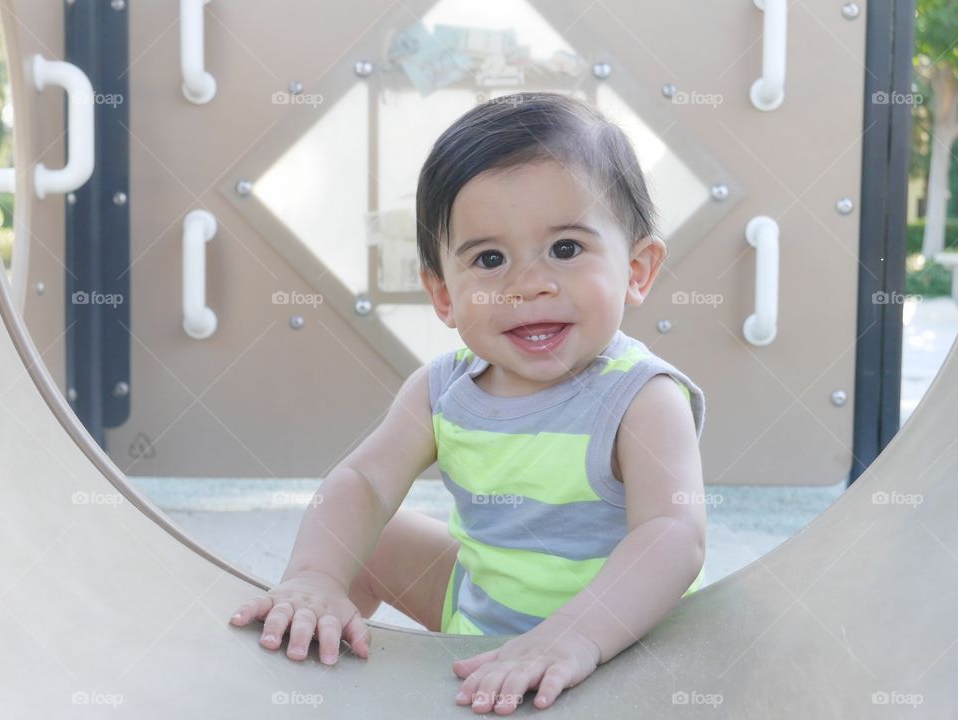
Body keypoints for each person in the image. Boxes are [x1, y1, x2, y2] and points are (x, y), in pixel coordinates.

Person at [229, 91, 707, 714]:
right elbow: (364, 483)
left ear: (637, 269)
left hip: (616, 637)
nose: (528, 284)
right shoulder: (441, 388)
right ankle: (320, 666)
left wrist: (573, 636)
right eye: (489, 259)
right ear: (444, 295)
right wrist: (315, 575)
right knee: (370, 534)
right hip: (476, 617)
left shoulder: (641, 397)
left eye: (566, 248)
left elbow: (673, 536)